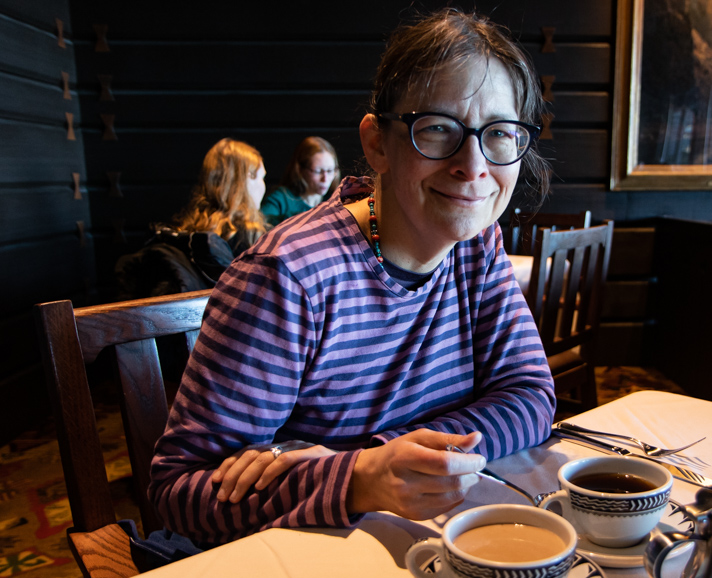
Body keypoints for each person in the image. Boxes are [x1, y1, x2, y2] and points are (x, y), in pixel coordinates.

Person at [149, 8, 555, 545]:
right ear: (376, 144)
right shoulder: (289, 277)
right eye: (437, 129)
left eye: (499, 133)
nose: (473, 165)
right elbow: (180, 494)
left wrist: (367, 460)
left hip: (413, 548)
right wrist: (359, 481)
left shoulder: (478, 244)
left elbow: (530, 396)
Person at [115, 138, 268, 299]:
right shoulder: (248, 235)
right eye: (261, 177)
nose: (263, 186)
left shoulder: (190, 229)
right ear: (246, 179)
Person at [260, 136, 341, 225]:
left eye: (330, 171)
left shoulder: (337, 200)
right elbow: (261, 224)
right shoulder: (281, 198)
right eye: (318, 171)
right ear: (300, 170)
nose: (325, 179)